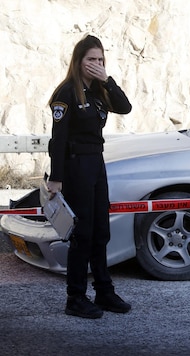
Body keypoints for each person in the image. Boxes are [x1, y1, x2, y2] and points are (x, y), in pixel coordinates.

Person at [47, 34, 133, 318]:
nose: (96, 64)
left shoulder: (98, 91)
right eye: (91, 59)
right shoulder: (66, 93)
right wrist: (56, 177)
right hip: (76, 166)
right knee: (82, 234)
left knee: (101, 232)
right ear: (78, 61)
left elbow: (125, 107)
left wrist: (107, 79)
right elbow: (58, 139)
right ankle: (76, 297)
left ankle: (104, 292)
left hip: (96, 163)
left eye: (100, 59)